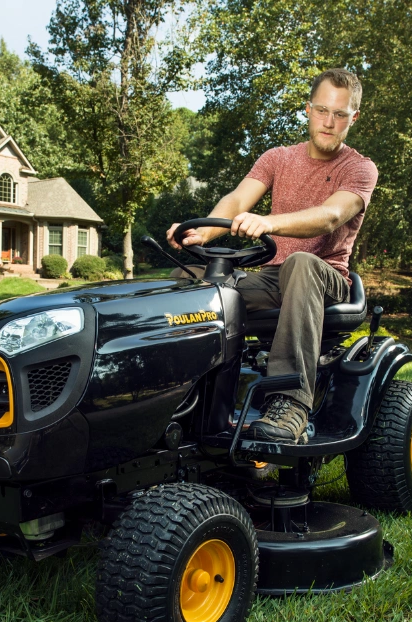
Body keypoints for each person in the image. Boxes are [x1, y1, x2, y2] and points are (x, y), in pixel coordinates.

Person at [167, 68, 378, 445]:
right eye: (321, 110)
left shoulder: (360, 168)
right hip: (272, 277)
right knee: (191, 280)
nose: (329, 122)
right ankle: (176, 393)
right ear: (308, 109)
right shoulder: (278, 158)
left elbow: (330, 216)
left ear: (353, 118)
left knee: (299, 264)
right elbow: (235, 201)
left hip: (325, 278)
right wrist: (204, 232)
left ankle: (291, 403)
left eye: (340, 114)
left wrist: (268, 223)